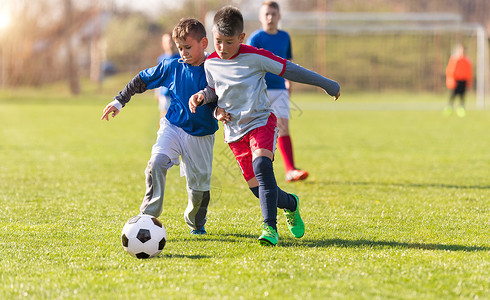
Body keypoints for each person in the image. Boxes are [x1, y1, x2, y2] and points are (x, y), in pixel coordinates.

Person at [189, 6, 340, 246]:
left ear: (241, 38)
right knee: (257, 189)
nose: (223, 48)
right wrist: (206, 100)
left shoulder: (255, 56)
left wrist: (326, 83)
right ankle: (291, 203)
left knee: (262, 165)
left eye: (229, 42)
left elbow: (290, 69)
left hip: (261, 121)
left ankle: (269, 227)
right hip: (234, 132)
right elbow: (213, 90)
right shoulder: (210, 63)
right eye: (218, 41)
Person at [101, 18, 218, 235]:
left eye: (188, 47)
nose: (183, 53)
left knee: (199, 190)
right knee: (156, 163)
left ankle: (196, 222)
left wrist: (221, 109)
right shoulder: (172, 66)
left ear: (204, 43)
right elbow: (142, 79)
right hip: (173, 127)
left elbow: (225, 94)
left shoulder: (216, 67)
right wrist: (119, 101)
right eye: (180, 48)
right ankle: (147, 217)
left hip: (201, 136)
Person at [247, 1, 308, 183]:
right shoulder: (255, 38)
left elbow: (288, 63)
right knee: (257, 129)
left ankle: (290, 170)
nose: (270, 18)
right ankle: (254, 170)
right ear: (260, 16)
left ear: (279, 16)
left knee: (283, 127)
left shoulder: (285, 37)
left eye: (273, 14)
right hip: (260, 91)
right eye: (266, 14)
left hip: (280, 89)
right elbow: (248, 66)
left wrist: (288, 82)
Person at [156, 33, 180, 119]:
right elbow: (158, 77)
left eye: (171, 41)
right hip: (165, 94)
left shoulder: (180, 58)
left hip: (177, 94)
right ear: (163, 44)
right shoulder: (161, 59)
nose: (170, 44)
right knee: (164, 117)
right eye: (167, 42)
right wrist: (157, 92)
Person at [445, 44, 473, 117]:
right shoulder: (454, 60)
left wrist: (469, 81)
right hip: (455, 80)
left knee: (462, 96)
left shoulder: (466, 61)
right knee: (453, 95)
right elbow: (449, 70)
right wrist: (451, 80)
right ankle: (449, 108)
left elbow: (469, 72)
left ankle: (461, 109)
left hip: (463, 80)